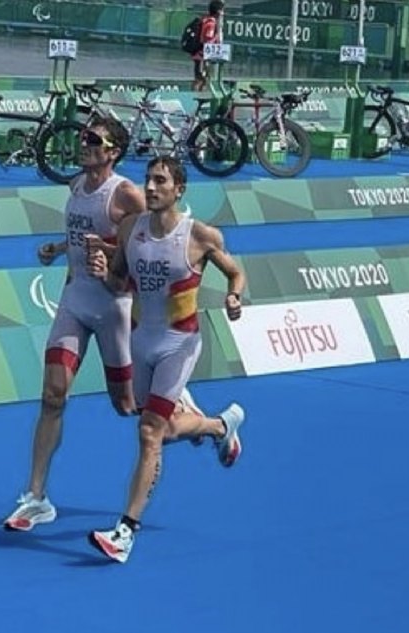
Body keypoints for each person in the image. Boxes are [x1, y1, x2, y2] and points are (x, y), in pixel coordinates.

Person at [86, 155, 246, 563]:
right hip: (140, 341)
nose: (152, 188)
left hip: (180, 343)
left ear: (179, 190)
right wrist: (104, 269)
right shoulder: (130, 229)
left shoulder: (201, 236)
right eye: (148, 180)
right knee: (157, 424)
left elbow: (235, 271)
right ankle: (218, 425)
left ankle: (125, 531)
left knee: (149, 433)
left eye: (161, 181)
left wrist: (233, 296)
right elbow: (119, 281)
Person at [2, 116, 146, 531]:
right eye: (83, 136)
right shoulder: (75, 186)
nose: (83, 144)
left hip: (113, 306)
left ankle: (209, 424)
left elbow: (144, 244)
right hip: (75, 298)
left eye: (93, 139)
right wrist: (60, 246)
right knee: (52, 395)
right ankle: (36, 497)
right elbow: (83, 232)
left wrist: (110, 252)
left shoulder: (126, 195)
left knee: (127, 407)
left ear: (113, 151)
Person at [192, 0, 225, 92]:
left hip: (201, 55)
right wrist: (217, 37)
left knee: (203, 78)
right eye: (222, 10)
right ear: (218, 11)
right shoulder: (211, 23)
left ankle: (199, 94)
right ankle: (196, 95)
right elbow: (206, 38)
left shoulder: (206, 19)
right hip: (202, 56)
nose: (223, 13)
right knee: (200, 79)